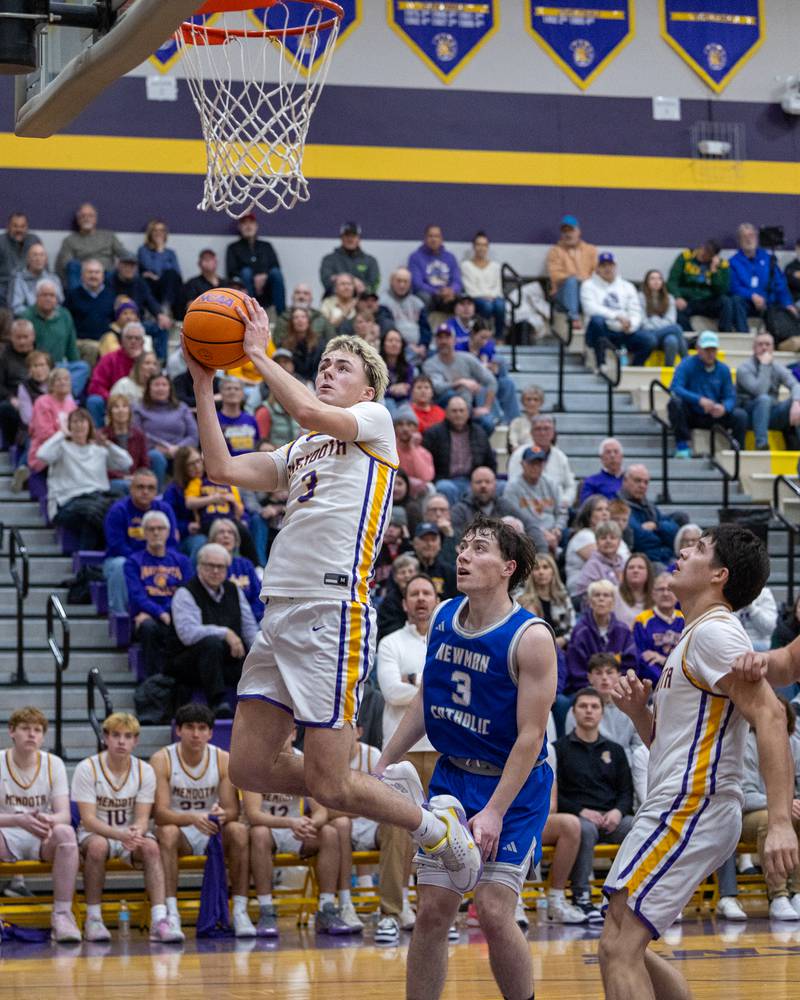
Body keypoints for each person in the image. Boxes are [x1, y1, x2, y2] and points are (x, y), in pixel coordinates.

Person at [185, 308, 482, 892]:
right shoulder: (300, 450)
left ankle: (436, 827)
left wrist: (258, 354)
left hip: (331, 611)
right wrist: (202, 382)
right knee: (248, 766)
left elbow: (304, 408)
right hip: (279, 612)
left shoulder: (374, 420)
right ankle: (383, 782)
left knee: (330, 785)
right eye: (322, 365)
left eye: (340, 366)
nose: (326, 372)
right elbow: (219, 467)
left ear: (366, 387)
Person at [601, 525, 798, 999]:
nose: (684, 551)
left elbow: (771, 714)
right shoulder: (695, 637)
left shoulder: (713, 633)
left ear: (718, 575)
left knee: (620, 945)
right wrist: (638, 716)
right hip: (680, 801)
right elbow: (674, 745)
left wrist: (779, 821)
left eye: (699, 549)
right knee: (621, 942)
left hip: (692, 804)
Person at [375, 516, 556, 1000]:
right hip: (453, 778)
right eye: (464, 547)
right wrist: (382, 761)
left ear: (507, 568)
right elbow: (423, 704)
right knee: (433, 910)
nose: (463, 555)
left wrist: (495, 809)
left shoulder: (531, 637)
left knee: (495, 912)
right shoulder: (444, 616)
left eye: (479, 549)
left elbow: (532, 736)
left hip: (512, 788)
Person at [71, 711, 184, 942]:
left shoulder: (145, 771)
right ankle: (94, 919)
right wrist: (120, 834)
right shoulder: (87, 768)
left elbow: (143, 817)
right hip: (95, 833)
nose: (121, 741)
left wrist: (137, 831)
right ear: (105, 737)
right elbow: (89, 819)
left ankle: (160, 920)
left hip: (128, 835)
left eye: (128, 736)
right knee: (98, 847)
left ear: (136, 740)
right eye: (116, 735)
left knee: (152, 848)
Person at [374, 574, 440, 944]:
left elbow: (411, 689)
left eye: (426, 593)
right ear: (404, 603)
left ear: (436, 599)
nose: (419, 599)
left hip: (444, 747)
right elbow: (390, 690)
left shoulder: (449, 640)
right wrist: (431, 685)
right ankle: (390, 912)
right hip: (402, 754)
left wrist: (413, 681)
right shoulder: (390, 642)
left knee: (441, 836)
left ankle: (435, 915)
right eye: (413, 593)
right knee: (396, 835)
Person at [150, 702, 254, 937]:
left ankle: (239, 911)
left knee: (238, 830)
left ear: (210, 732)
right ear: (178, 730)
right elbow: (161, 813)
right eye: (189, 727)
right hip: (181, 830)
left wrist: (221, 815)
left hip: (212, 830)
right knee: (166, 832)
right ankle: (171, 913)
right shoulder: (162, 759)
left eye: (201, 728)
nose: (196, 734)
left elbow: (232, 811)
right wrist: (192, 818)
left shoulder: (223, 759)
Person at [243, 729, 359, 936]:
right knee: (258, 833)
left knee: (330, 834)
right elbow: (253, 815)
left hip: (297, 829)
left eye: (284, 733)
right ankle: (266, 910)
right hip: (271, 829)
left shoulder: (305, 763)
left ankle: (326, 908)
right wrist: (290, 822)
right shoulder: (255, 763)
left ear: (294, 734)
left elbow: (321, 811)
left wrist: (311, 824)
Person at [0, 707, 81, 943]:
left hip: (41, 832)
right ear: (12, 731)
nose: (31, 735)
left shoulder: (53, 763)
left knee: (66, 833)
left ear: (43, 736)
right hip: (6, 832)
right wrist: (18, 820)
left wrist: (50, 819)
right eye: (25, 729)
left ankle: (62, 916)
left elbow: (64, 815)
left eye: (37, 730)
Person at [556, 687, 634, 920]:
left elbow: (626, 792)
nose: (589, 711)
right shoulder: (559, 749)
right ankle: (582, 896)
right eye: (583, 706)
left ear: (602, 713)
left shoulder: (616, 750)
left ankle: (629, 894)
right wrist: (581, 811)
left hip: (612, 818)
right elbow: (555, 795)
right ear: (573, 712)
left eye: (594, 707)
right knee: (584, 829)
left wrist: (618, 812)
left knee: (637, 827)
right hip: (579, 817)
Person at [166, 542, 259, 719]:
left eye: (221, 567)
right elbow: (188, 635)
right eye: (210, 566)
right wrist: (225, 632)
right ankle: (218, 702)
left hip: (223, 660)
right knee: (211, 644)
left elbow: (249, 628)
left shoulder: (234, 590)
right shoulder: (185, 593)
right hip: (187, 662)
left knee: (252, 656)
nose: (216, 571)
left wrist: (259, 652)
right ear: (199, 566)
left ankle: (255, 705)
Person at [740, 696, 800, 921]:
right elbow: (745, 795)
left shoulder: (795, 743)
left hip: (787, 810)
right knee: (770, 820)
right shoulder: (748, 743)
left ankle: (797, 892)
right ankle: (778, 896)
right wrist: (781, 805)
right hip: (749, 815)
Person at [37, 408, 132, 549]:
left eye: (82, 421)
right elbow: (42, 455)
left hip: (98, 499)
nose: (79, 425)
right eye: (74, 422)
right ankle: (113, 550)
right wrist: (61, 434)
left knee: (118, 506)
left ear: (89, 425)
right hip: (67, 503)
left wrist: (107, 444)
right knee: (93, 511)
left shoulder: (98, 450)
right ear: (69, 426)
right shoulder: (61, 448)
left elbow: (126, 462)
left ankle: (88, 560)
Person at [125, 510, 193, 678]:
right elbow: (137, 596)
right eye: (151, 528)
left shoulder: (182, 561)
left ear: (168, 532)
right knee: (148, 627)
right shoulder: (133, 561)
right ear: (143, 532)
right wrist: (160, 613)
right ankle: (152, 682)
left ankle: (176, 684)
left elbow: (187, 592)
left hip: (175, 615)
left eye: (160, 528)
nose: (156, 532)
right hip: (149, 617)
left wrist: (168, 611)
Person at [103, 467, 179, 614]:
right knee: (121, 565)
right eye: (140, 487)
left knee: (179, 564)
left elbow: (170, 543)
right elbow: (117, 545)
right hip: (122, 558)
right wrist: (143, 561)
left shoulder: (165, 510)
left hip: (157, 559)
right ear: (131, 489)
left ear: (157, 491)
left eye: (150, 488)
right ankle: (120, 616)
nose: (145, 491)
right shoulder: (118, 510)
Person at [668, 330, 747, 458]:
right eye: (707, 350)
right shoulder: (686, 364)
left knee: (740, 416)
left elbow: (730, 396)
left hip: (713, 414)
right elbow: (675, 388)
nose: (710, 353)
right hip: (692, 414)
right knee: (675, 403)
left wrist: (724, 407)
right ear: (698, 349)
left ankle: (737, 452)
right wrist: (698, 400)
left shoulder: (723, 369)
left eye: (713, 350)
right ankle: (682, 445)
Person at [564, 654, 643, 762]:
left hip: (626, 767)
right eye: (598, 673)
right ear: (590, 677)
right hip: (589, 766)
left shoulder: (631, 706)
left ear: (619, 675)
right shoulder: (578, 708)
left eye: (609, 672)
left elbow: (639, 747)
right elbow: (571, 747)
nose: (604, 677)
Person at [581, 253, 653, 368]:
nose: (607, 268)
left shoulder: (627, 286)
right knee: (597, 321)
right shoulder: (588, 285)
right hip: (602, 331)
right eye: (603, 265)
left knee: (649, 340)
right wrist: (617, 317)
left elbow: (635, 310)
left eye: (610, 265)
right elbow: (590, 308)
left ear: (615, 267)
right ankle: (601, 364)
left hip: (623, 331)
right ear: (597, 268)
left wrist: (631, 325)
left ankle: (634, 369)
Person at [565, 580, 636, 693]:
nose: (601, 599)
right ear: (590, 602)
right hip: (587, 690)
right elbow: (576, 669)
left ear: (613, 602)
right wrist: (596, 688)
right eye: (597, 595)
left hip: (619, 690)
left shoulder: (623, 630)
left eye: (606, 595)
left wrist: (616, 685)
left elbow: (631, 663)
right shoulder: (580, 632)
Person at [422, 395, 496, 506]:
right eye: (454, 411)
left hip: (471, 480)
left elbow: (490, 462)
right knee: (445, 487)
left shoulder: (479, 433)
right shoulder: (434, 433)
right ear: (446, 413)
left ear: (468, 413)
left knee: (496, 486)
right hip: (445, 479)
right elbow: (425, 462)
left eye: (462, 411)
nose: (458, 414)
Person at [730, 222, 799, 336]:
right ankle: (743, 335)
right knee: (736, 301)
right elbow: (733, 287)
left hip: (768, 303)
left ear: (757, 238)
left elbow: (780, 283)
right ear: (739, 240)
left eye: (751, 236)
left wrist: (788, 304)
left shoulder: (768, 259)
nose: (749, 240)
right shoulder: (734, 262)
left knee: (782, 307)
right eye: (745, 237)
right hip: (747, 303)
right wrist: (752, 296)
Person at [22, 280, 89, 398]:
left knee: (83, 367)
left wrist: (74, 360)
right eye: (44, 295)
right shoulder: (27, 316)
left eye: (52, 295)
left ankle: (68, 395)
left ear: (57, 299)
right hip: (38, 366)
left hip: (59, 365)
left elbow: (71, 346)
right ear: (36, 297)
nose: (48, 298)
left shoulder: (65, 315)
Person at [423, 324, 496, 431]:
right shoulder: (429, 364)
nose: (443, 341)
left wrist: (486, 407)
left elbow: (491, 381)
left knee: (488, 423)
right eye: (440, 338)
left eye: (447, 337)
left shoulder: (467, 358)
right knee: (450, 394)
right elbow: (437, 387)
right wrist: (461, 382)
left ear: (454, 340)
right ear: (436, 341)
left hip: (468, 409)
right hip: (442, 407)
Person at [736, 330, 800, 450]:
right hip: (750, 416)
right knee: (764, 399)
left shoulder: (777, 366)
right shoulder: (744, 368)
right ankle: (761, 444)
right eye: (760, 344)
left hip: (773, 414)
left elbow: (795, 385)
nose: (764, 348)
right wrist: (764, 366)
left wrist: (796, 402)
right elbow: (760, 391)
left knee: (797, 401)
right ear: (754, 348)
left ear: (773, 348)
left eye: (768, 344)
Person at [133, 373, 199, 486]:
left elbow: (194, 436)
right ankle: (156, 495)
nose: (161, 388)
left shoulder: (182, 408)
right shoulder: (139, 408)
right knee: (156, 457)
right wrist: (157, 447)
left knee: (192, 457)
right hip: (152, 451)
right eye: (156, 385)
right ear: (148, 388)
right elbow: (137, 434)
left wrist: (178, 448)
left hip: (179, 451)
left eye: (164, 384)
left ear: (170, 388)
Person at [503, 446, 567, 555]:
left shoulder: (551, 484)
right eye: (531, 463)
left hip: (554, 532)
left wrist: (558, 529)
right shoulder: (512, 487)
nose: (535, 467)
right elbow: (514, 518)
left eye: (539, 464)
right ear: (522, 464)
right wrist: (540, 533)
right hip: (527, 533)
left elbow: (562, 511)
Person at [666, 238, 737, 332]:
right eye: (703, 250)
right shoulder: (685, 257)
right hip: (688, 299)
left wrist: (714, 272)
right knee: (676, 310)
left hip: (708, 300)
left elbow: (722, 290)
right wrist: (677, 297)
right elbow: (672, 281)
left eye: (708, 254)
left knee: (726, 302)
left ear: (714, 256)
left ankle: (725, 334)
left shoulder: (722, 265)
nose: (703, 255)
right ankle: (691, 337)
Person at [617, 464, 681, 566]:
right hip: (642, 562)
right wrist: (664, 538)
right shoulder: (618, 506)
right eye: (637, 481)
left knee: (681, 517)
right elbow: (640, 540)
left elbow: (675, 533)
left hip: (663, 556)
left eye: (646, 482)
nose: (642, 485)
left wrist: (656, 526)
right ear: (625, 481)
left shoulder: (649, 506)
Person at [55, 202, 130, 289]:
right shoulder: (69, 240)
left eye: (90, 216)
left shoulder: (109, 236)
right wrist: (89, 268)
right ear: (78, 220)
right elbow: (65, 263)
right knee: (72, 265)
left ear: (95, 219)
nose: (86, 219)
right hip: (82, 275)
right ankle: (76, 299)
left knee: (129, 263)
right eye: (83, 216)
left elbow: (123, 253)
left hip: (106, 273)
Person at [507, 414, 576, 506]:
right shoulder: (519, 454)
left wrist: (565, 501)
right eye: (538, 429)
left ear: (553, 433)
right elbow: (513, 484)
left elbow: (570, 486)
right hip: (526, 505)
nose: (543, 433)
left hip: (557, 505)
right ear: (531, 433)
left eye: (547, 429)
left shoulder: (560, 457)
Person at [86, 321, 146, 426]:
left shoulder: (148, 361)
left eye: (137, 338)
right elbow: (95, 386)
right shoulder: (109, 359)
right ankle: (99, 434)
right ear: (122, 340)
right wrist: (115, 400)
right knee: (94, 401)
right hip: (111, 401)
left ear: (142, 342)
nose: (133, 341)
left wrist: (139, 361)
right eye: (129, 338)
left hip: (139, 402)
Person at [225, 212, 285, 313]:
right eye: (244, 223)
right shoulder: (233, 248)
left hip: (267, 288)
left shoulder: (266, 246)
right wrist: (253, 278)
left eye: (251, 223)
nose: (248, 226)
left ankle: (281, 315)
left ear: (256, 226)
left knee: (276, 273)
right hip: (245, 287)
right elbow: (231, 271)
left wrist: (263, 276)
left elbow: (275, 265)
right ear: (239, 227)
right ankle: (250, 311)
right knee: (246, 272)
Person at [546, 214, 598, 328]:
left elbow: (597, 274)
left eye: (571, 230)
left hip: (585, 292)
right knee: (571, 282)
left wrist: (583, 280)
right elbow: (555, 275)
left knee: (589, 286)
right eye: (564, 231)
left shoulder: (591, 250)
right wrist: (574, 277)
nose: (568, 234)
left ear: (578, 231)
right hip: (562, 296)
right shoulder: (555, 251)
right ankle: (573, 318)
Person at [632, 573, 684, 684]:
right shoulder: (642, 620)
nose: (665, 593)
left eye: (670, 589)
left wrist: (663, 660)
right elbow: (643, 659)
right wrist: (665, 681)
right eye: (661, 589)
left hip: (682, 681)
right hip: (652, 684)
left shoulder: (686, 619)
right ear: (653, 594)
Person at [208, 517, 263, 621]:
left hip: (252, 618)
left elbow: (258, 595)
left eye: (230, 532)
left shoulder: (246, 564)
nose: (226, 535)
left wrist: (253, 616)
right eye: (221, 532)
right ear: (213, 539)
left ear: (236, 539)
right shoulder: (208, 566)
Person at [518, 552, 575, 649]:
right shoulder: (524, 600)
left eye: (545, 567)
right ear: (531, 574)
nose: (541, 572)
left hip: (562, 648)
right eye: (536, 568)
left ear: (553, 571)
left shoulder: (563, 597)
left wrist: (564, 639)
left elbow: (573, 626)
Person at [27, 366, 77, 474]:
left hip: (67, 453)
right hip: (45, 454)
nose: (63, 382)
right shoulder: (42, 402)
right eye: (58, 379)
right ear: (51, 384)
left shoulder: (71, 404)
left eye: (66, 379)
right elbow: (44, 434)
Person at [64, 258, 116, 359]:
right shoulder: (72, 295)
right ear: (82, 275)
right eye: (90, 272)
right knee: (92, 348)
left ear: (103, 276)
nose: (93, 276)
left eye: (97, 272)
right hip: (81, 341)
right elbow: (66, 322)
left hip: (105, 340)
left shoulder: (111, 295)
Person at [639, 269, 688, 367]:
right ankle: (687, 361)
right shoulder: (640, 297)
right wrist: (659, 322)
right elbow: (642, 323)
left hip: (664, 334)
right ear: (647, 282)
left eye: (659, 279)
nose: (656, 281)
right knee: (676, 328)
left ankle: (668, 370)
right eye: (652, 279)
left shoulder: (669, 298)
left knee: (672, 340)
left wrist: (653, 319)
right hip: (648, 335)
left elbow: (671, 320)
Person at [460, 231, 505, 336]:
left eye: (484, 245)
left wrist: (491, 296)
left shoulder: (495, 266)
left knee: (500, 305)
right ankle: (482, 335)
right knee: (487, 306)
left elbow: (498, 288)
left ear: (488, 247)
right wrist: (484, 296)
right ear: (474, 247)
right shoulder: (466, 265)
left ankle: (499, 337)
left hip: (493, 297)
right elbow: (469, 289)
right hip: (476, 298)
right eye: (478, 245)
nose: (481, 248)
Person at [408, 224, 462, 310]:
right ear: (425, 239)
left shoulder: (450, 257)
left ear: (441, 239)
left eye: (437, 236)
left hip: (448, 293)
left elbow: (457, 281)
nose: (434, 239)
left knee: (464, 299)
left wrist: (451, 290)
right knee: (424, 297)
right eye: (430, 236)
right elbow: (417, 283)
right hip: (430, 295)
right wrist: (437, 292)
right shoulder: (415, 257)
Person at [380, 267, 431, 359]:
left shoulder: (418, 303)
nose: (402, 285)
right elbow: (388, 328)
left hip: (419, 348)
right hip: (398, 347)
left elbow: (425, 329)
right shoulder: (383, 302)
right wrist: (407, 345)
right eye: (398, 281)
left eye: (405, 281)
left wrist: (423, 345)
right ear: (391, 281)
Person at [137, 219, 183, 317]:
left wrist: (157, 274)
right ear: (150, 233)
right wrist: (159, 249)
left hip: (167, 286)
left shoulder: (171, 253)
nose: (159, 233)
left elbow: (177, 273)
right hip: (152, 285)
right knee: (147, 278)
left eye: (162, 230)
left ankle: (166, 307)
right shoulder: (143, 250)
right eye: (155, 230)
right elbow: (150, 266)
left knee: (171, 275)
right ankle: (157, 310)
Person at [319, 221, 380, 296]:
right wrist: (353, 280)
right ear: (341, 238)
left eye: (353, 236)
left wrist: (338, 278)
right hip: (335, 301)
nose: (350, 239)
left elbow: (373, 286)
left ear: (359, 238)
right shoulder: (329, 259)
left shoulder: (370, 261)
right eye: (347, 236)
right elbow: (327, 282)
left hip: (361, 301)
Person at [0, 319, 34, 448]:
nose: (22, 341)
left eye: (25, 337)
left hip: (36, 396)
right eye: (18, 337)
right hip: (14, 398)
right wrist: (11, 398)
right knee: (5, 407)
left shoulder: (39, 353)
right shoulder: (3, 356)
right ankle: (13, 443)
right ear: (11, 337)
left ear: (33, 337)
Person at [574, 521, 626, 601]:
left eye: (612, 538)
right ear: (597, 543)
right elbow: (584, 596)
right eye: (603, 538)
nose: (608, 541)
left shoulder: (623, 564)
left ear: (619, 542)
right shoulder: (593, 565)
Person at [393, 405, 434, 498]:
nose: (405, 429)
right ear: (395, 428)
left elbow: (426, 478)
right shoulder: (390, 449)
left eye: (409, 424)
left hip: (416, 494)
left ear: (415, 428)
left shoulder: (424, 453)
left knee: (430, 487)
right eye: (400, 424)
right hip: (395, 490)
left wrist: (412, 448)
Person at [10, 242, 63, 315]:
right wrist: (37, 315)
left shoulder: (54, 279)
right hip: (28, 320)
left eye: (42, 255)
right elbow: (16, 307)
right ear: (28, 259)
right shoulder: (19, 279)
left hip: (50, 319)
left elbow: (60, 304)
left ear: (46, 260)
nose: (38, 259)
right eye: (35, 255)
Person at [0, 212, 40, 308]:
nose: (19, 230)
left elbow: (43, 267)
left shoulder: (34, 241)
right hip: (4, 287)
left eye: (22, 226)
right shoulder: (1, 242)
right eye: (15, 226)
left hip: (29, 286)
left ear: (27, 227)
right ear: (8, 227)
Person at [276, 307, 324, 383]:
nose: (300, 320)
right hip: (291, 382)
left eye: (303, 317)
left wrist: (311, 382)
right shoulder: (283, 344)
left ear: (308, 321)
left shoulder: (319, 343)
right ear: (291, 322)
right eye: (296, 317)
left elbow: (322, 367)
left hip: (314, 383)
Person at [412, 522, 457, 599]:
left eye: (433, 539)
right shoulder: (405, 570)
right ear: (415, 543)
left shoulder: (449, 572)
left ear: (439, 544)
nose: (429, 544)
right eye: (424, 540)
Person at [614, 553, 655, 630]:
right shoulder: (614, 593)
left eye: (641, 567)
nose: (635, 570)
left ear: (648, 572)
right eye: (631, 567)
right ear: (625, 572)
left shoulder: (657, 596)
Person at [578, 438, 625, 504]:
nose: (612, 455)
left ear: (621, 456)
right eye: (608, 452)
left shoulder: (630, 480)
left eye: (616, 452)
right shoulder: (591, 482)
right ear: (601, 458)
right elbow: (586, 509)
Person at [736, 585, 778, 653]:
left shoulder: (764, 593)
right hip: (737, 643)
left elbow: (769, 629)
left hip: (760, 643)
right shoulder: (732, 593)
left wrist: (751, 608)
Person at [507, 383, 545, 452]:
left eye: (536, 400)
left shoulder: (547, 423)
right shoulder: (516, 422)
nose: (532, 403)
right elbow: (513, 445)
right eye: (528, 399)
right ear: (523, 402)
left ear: (541, 403)